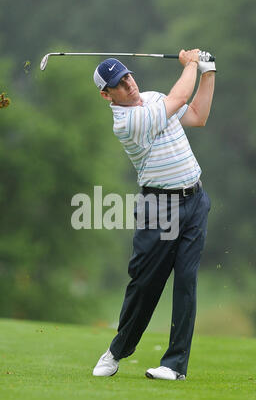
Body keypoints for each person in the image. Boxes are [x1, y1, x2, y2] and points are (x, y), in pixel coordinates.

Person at [92, 49, 216, 380]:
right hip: (159, 209)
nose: (129, 84)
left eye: (128, 76)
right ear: (107, 95)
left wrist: (208, 71)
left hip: (195, 200)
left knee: (186, 281)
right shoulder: (127, 123)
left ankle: (174, 365)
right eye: (119, 84)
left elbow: (198, 115)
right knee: (146, 283)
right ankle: (118, 350)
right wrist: (190, 63)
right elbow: (178, 97)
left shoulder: (151, 98)